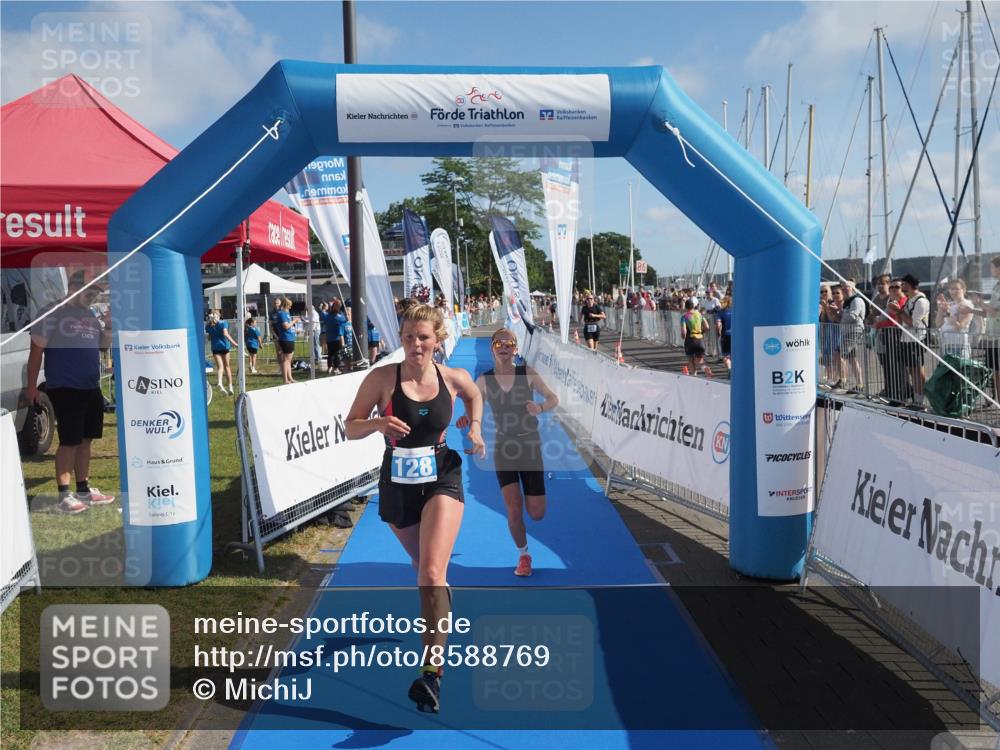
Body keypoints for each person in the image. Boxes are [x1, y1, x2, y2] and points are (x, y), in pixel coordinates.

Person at [345, 304, 485, 714]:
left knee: (430, 572)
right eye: (409, 338)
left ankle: (431, 674)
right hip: (398, 486)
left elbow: (475, 395)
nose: (416, 345)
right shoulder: (382, 379)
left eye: (423, 338)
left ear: (437, 340)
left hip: (442, 475)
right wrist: (377, 424)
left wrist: (474, 427)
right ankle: (440, 605)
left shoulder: (452, 378)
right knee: (425, 568)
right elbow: (349, 426)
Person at [460, 327, 558, 577]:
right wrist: (471, 423)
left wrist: (540, 406)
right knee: (514, 510)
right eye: (499, 344)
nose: (504, 348)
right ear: (492, 348)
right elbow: (473, 402)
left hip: (530, 447)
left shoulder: (527, 373)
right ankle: (524, 555)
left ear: (516, 348)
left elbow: (553, 398)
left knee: (536, 513)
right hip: (504, 449)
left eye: (509, 344)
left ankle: (533, 496)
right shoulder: (484, 380)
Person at [26, 272, 115, 514]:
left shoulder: (89, 315)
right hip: (65, 386)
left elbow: (102, 347)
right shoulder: (52, 311)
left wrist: (107, 326)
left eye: (96, 293)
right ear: (73, 287)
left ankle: (83, 490)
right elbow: (36, 351)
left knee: (86, 440)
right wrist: (32, 386)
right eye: (89, 291)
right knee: (69, 441)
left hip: (90, 386)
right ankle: (64, 495)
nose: (93, 296)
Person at [897, 274, 930, 409]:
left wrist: (898, 312)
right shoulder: (909, 300)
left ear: (909, 285)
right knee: (912, 370)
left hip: (917, 340)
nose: (901, 287)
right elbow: (902, 321)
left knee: (918, 370)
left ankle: (920, 401)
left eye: (903, 284)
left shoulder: (921, 301)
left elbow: (912, 322)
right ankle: (916, 399)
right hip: (906, 339)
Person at [935, 278, 974, 359]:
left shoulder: (967, 305)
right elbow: (938, 324)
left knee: (959, 371)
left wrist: (947, 313)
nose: (953, 292)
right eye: (951, 289)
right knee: (946, 371)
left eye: (956, 289)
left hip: (959, 346)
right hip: (945, 344)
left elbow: (959, 326)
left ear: (963, 290)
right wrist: (940, 308)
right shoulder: (949, 304)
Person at [980, 256, 1000, 404]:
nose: (991, 270)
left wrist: (979, 302)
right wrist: (972, 309)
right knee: (995, 374)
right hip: (993, 336)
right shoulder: (996, 286)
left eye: (992, 267)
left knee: (998, 374)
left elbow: (994, 311)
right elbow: (989, 312)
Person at [205, 311, 238, 395]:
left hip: (215, 348)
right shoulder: (223, 323)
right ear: (219, 316)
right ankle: (230, 386)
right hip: (224, 347)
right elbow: (225, 334)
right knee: (227, 367)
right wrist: (235, 343)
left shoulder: (208, 325)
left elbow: (209, 337)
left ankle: (220, 382)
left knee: (220, 367)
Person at [681, 298, 711, 376]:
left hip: (690, 340)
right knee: (699, 361)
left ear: (685, 307)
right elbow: (707, 327)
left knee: (690, 360)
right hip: (700, 340)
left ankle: (694, 375)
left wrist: (683, 336)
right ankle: (705, 368)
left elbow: (684, 331)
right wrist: (701, 332)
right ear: (693, 306)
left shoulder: (684, 317)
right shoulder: (700, 315)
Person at [275, 298, 299, 385]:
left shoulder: (287, 313)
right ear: (287, 305)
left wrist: (294, 330)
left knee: (289, 360)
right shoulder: (282, 314)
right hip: (285, 338)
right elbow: (285, 326)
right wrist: (294, 321)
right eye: (290, 305)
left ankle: (290, 378)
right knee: (286, 360)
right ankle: (285, 379)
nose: (290, 307)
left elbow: (289, 326)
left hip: (290, 337)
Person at [325, 299, 347, 375]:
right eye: (338, 305)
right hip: (336, 338)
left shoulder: (328, 315)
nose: (339, 306)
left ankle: (330, 367)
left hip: (329, 338)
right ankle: (335, 368)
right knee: (337, 353)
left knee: (330, 354)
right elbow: (344, 320)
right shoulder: (337, 316)